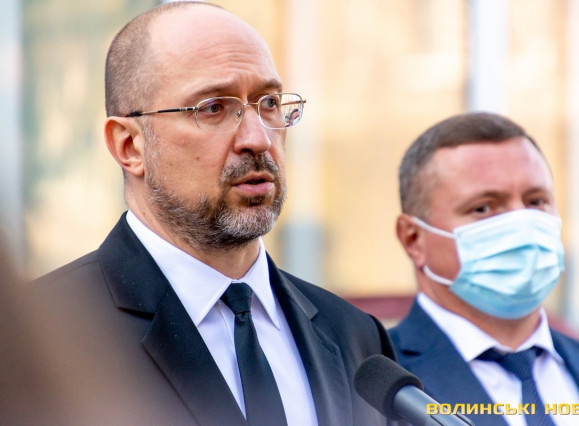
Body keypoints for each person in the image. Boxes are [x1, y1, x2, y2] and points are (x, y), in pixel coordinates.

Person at [29, 2, 396, 425]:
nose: (258, 138)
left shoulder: (355, 338)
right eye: (213, 108)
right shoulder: (39, 343)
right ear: (130, 146)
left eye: (269, 102)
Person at [389, 112, 579, 426]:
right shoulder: (372, 388)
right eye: (483, 207)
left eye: (536, 201)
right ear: (413, 239)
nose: (522, 222)